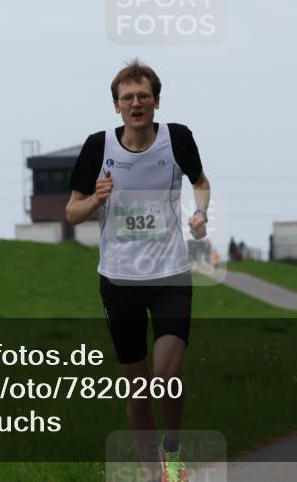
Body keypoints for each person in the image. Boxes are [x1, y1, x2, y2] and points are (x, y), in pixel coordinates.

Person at [65, 59, 210, 482]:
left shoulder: (177, 138)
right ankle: (154, 474)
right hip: (119, 281)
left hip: (170, 276)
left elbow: (200, 182)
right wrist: (95, 199)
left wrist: (199, 214)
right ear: (116, 106)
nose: (136, 104)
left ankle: (174, 448)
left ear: (156, 101)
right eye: (127, 98)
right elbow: (72, 212)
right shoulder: (98, 147)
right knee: (140, 391)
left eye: (143, 96)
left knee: (167, 376)